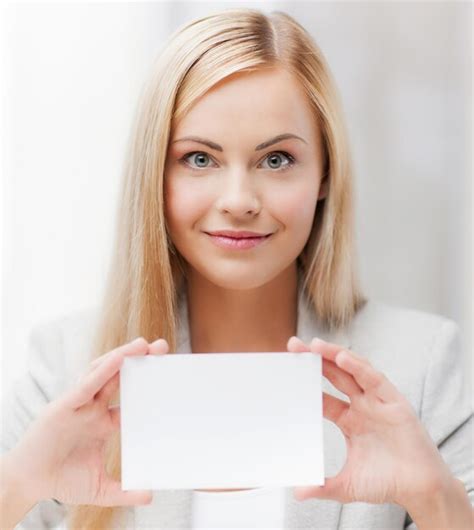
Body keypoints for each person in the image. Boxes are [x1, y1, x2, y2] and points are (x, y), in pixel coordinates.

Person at [0, 7, 472, 530]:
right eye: (199, 159)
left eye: (277, 160)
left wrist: (435, 502)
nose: (239, 200)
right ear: (154, 176)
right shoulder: (65, 370)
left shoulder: (421, 367)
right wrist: (14, 489)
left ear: (324, 175)